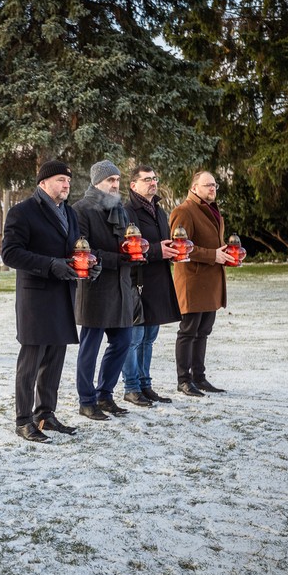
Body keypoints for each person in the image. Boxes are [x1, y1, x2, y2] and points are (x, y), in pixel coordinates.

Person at [2, 160, 95, 442]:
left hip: (64, 293)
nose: (66, 185)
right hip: (36, 296)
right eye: (59, 180)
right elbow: (10, 254)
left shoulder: (69, 212)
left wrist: (90, 265)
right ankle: (23, 420)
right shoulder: (23, 212)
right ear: (43, 183)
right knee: (30, 362)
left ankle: (45, 414)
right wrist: (50, 264)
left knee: (55, 359)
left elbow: (76, 249)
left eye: (68, 181)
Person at [72, 160, 135, 421]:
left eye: (117, 180)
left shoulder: (120, 209)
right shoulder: (81, 209)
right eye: (110, 180)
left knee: (122, 341)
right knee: (90, 345)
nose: (115, 185)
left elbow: (130, 240)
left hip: (121, 286)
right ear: (97, 181)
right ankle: (86, 401)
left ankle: (105, 394)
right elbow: (82, 251)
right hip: (95, 287)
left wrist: (135, 252)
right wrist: (117, 259)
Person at [121, 165, 182, 406]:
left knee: (149, 338)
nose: (153, 183)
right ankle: (131, 387)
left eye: (155, 178)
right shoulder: (127, 212)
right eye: (147, 179)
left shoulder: (160, 211)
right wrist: (158, 250)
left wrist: (175, 251)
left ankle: (146, 385)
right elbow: (128, 246)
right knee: (134, 338)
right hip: (137, 282)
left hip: (157, 281)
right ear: (133, 185)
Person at [169, 170, 232, 396]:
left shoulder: (212, 210)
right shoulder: (184, 211)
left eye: (214, 185)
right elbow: (180, 246)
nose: (212, 189)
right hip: (192, 281)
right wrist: (213, 255)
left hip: (210, 282)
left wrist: (227, 254)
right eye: (207, 185)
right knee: (188, 331)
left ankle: (199, 377)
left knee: (203, 331)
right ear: (194, 188)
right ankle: (183, 380)